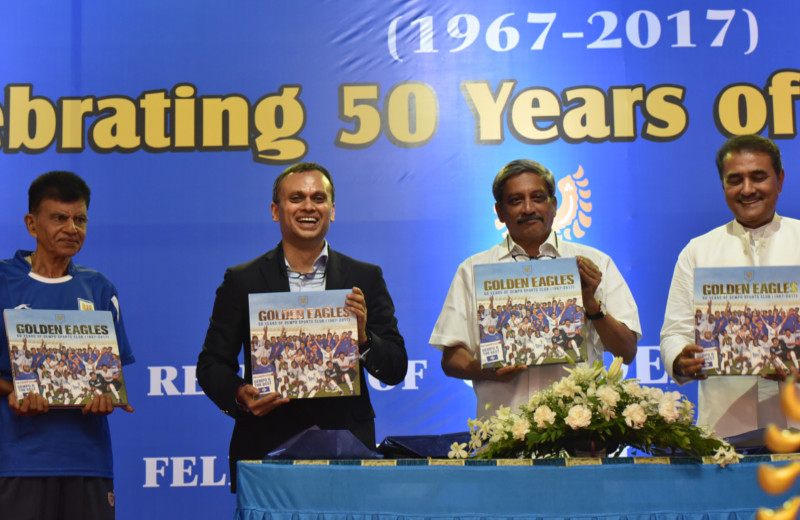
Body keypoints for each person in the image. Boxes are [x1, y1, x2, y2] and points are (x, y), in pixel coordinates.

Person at [196, 162, 407, 491]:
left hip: (347, 452)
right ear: (275, 211)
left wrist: (363, 339)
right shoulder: (242, 280)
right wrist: (240, 395)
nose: (308, 206)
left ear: (332, 210)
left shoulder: (364, 278)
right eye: (296, 198)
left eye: (318, 198)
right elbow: (211, 365)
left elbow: (395, 367)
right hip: (266, 449)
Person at [430, 159, 640, 417]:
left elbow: (627, 352)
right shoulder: (473, 270)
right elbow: (451, 359)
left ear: (553, 205)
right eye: (516, 200)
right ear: (499, 212)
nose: (528, 208)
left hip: (578, 428)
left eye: (538, 198)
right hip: (503, 432)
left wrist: (592, 305)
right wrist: (487, 372)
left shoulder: (594, 264)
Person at [0, 171, 135, 520]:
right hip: (17, 460)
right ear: (32, 224)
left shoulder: (100, 288)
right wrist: (10, 390)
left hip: (88, 460)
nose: (71, 229)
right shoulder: (3, 281)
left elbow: (109, 373)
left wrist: (107, 395)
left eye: (80, 219)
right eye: (59, 218)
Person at [661, 134, 800, 439]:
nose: (747, 189)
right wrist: (681, 361)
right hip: (726, 428)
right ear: (723, 185)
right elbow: (674, 334)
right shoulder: (698, 251)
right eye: (735, 179)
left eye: (758, 177)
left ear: (780, 179)